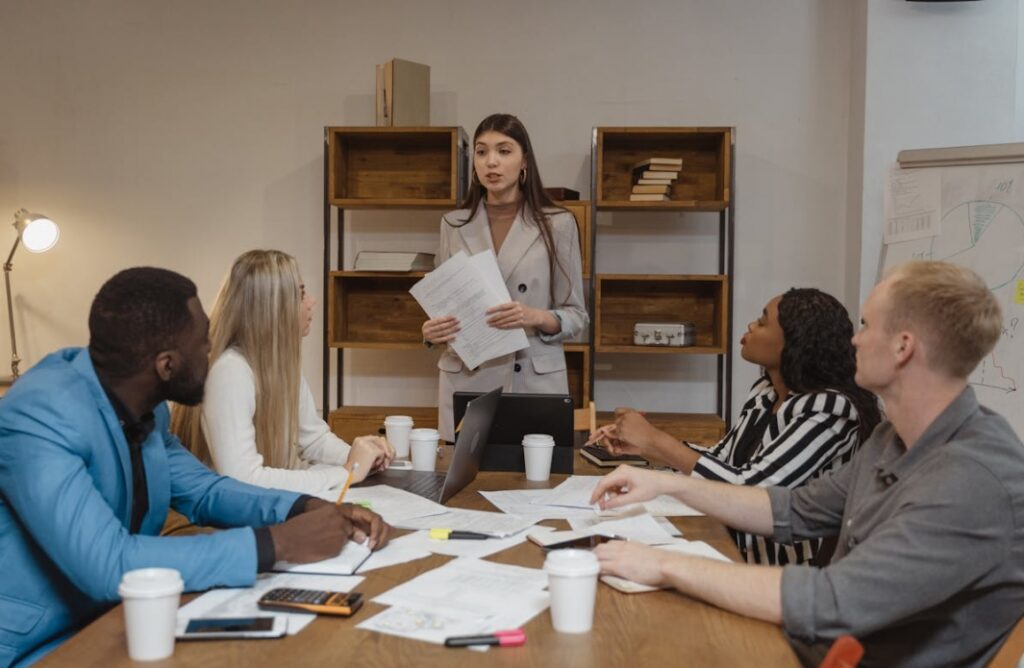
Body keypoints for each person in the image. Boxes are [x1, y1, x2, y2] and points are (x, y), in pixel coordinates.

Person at [591, 261, 1024, 667]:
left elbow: (835, 602)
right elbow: (793, 509)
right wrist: (670, 485)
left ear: (903, 348)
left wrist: (665, 565)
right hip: (823, 646)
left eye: (867, 325)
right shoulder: (890, 439)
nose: (854, 339)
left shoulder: (972, 480)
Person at [0, 267, 392, 666]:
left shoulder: (143, 405)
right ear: (166, 365)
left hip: (125, 619)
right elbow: (110, 564)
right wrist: (278, 543)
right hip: (38, 644)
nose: (213, 354)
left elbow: (205, 491)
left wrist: (304, 508)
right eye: (204, 346)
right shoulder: (39, 416)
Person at [589, 288, 881, 565]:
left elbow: (753, 491)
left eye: (763, 322)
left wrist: (657, 441)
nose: (751, 326)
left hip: (784, 570)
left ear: (794, 342)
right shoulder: (766, 393)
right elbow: (721, 461)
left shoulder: (830, 408)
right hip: (732, 545)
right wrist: (646, 450)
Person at [171, 250, 393, 500]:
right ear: (274, 307)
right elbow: (244, 479)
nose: (312, 301)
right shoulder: (230, 372)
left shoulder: (279, 364)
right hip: (225, 516)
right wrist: (346, 472)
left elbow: (313, 440)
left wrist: (362, 455)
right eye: (300, 294)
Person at [421, 113, 588, 441]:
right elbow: (444, 305)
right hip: (468, 379)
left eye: (504, 151)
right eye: (481, 152)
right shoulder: (453, 224)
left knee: (534, 487)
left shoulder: (558, 223)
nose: (491, 162)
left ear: (524, 160)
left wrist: (534, 315)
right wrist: (431, 332)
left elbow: (577, 317)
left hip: (531, 378)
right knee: (462, 488)